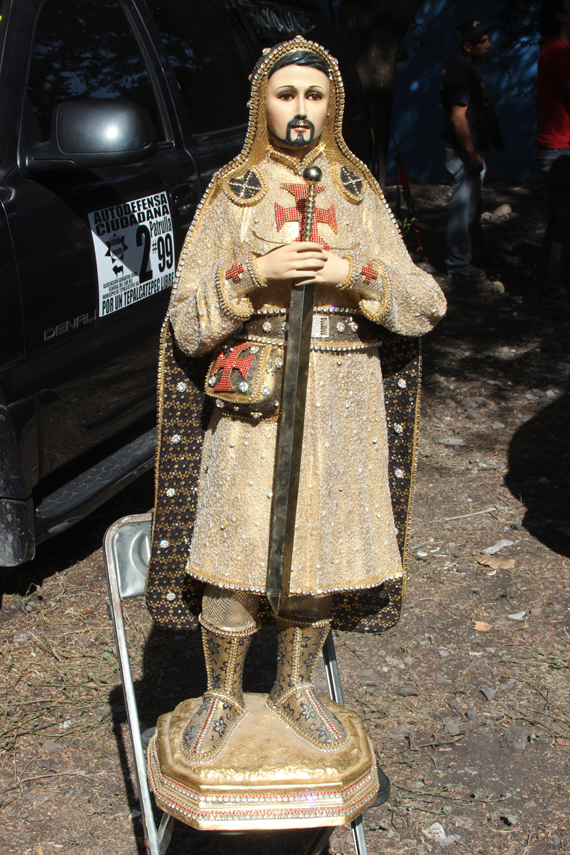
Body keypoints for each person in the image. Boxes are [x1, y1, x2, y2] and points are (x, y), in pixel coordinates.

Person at [146, 37, 446, 764]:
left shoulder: (357, 191)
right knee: (234, 546)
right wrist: (254, 271)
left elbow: (422, 303)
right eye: (287, 95)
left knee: (323, 544)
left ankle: (296, 685)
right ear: (263, 104)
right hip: (257, 402)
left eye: (315, 95)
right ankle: (220, 693)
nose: (301, 109)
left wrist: (356, 271)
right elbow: (186, 320)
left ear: (332, 105)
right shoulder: (232, 191)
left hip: (344, 403)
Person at [440, 18, 504, 282]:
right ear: (467, 45)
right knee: (463, 205)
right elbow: (458, 116)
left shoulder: (464, 67)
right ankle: (458, 265)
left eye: (488, 39)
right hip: (463, 150)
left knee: (472, 204)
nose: (488, 44)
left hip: (469, 148)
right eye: (482, 41)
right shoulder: (461, 70)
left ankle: (477, 252)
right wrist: (470, 151)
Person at [536, 0, 570, 318]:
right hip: (561, 149)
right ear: (561, 14)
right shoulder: (558, 50)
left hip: (559, 148)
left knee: (559, 223)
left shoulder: (557, 48)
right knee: (565, 226)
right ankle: (555, 296)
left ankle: (549, 291)